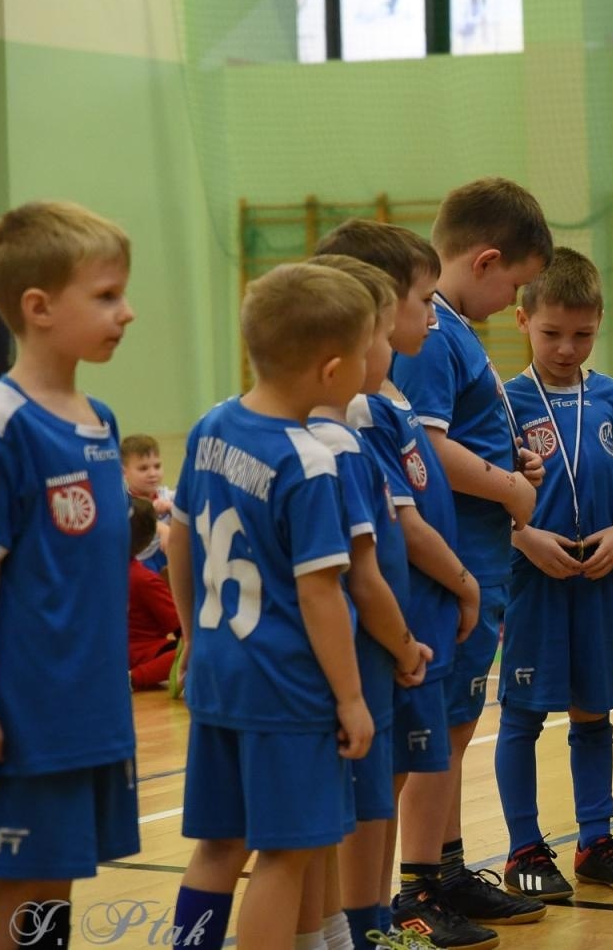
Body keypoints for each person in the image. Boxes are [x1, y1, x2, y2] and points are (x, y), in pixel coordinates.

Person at [316, 221, 542, 935]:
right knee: (410, 753)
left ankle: (418, 885)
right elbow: (408, 501)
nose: (430, 310)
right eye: (417, 301)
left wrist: (509, 467)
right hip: (433, 581)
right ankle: (400, 898)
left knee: (433, 743)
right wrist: (506, 487)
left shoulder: (424, 356)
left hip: (455, 571)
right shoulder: (399, 375)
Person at [0, 202, 140, 950]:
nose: (127, 311)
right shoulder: (3, 422)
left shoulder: (101, 420)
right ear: (39, 307)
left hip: (92, 704)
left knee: (60, 878)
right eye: (107, 295)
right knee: (11, 887)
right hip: (26, 708)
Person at [167, 262, 377, 950]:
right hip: (287, 688)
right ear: (332, 369)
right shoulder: (308, 462)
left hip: (220, 672)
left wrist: (193, 631)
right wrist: (350, 698)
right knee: (284, 855)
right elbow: (320, 593)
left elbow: (178, 537)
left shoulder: (209, 427)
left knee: (218, 846)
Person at [389, 177, 553, 924]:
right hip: (451, 564)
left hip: (480, 562)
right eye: (515, 285)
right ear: (486, 261)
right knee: (439, 729)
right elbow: (426, 447)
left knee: (457, 724)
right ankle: (418, 883)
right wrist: (511, 491)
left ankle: (447, 868)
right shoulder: (432, 335)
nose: (512, 302)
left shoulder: (455, 330)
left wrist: (510, 469)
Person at [496, 248, 613, 899]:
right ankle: (524, 847)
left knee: (595, 713)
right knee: (524, 715)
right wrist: (525, 537)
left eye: (582, 334)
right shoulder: (503, 402)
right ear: (522, 320)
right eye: (552, 332)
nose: (567, 347)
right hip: (534, 578)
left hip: (601, 576)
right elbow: (489, 495)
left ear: (599, 325)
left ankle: (595, 839)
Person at [304, 254, 438, 949]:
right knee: (328, 818)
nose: (388, 347)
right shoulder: (334, 444)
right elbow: (358, 575)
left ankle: (365, 925)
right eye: (379, 333)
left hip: (373, 650)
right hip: (353, 653)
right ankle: (355, 927)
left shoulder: (361, 423)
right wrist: (399, 641)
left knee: (363, 798)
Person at [127, 496, 182, 690]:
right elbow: (180, 629)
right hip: (141, 655)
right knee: (196, 650)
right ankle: (133, 679)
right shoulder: (144, 579)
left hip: (108, 654)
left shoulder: (102, 572)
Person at [121, 433, 173, 573]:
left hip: (168, 558)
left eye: (157, 466)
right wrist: (161, 528)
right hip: (141, 563)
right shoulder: (123, 500)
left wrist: (172, 508)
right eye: (143, 468)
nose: (152, 473)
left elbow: (187, 513)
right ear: (123, 472)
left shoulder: (167, 496)